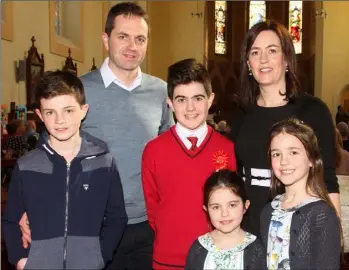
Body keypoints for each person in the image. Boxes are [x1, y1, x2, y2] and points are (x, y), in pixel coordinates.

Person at [19, 3, 173, 269]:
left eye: (140, 39)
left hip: (149, 224)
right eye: (122, 36)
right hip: (91, 223)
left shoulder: (160, 91)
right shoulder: (79, 90)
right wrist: (27, 205)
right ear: (106, 39)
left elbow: (170, 153)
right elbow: (48, 153)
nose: (132, 46)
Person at [2, 71, 128, 270]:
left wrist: (100, 256)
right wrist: (21, 260)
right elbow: (10, 220)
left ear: (83, 110)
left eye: (68, 110)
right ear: (40, 115)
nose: (59, 120)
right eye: (50, 112)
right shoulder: (27, 166)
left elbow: (117, 217)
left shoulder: (104, 162)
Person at [229, 20, 340, 237]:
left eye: (272, 51)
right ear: (248, 63)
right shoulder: (242, 115)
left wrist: (332, 238)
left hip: (298, 227)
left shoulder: (313, 110)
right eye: (255, 52)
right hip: (247, 228)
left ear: (287, 58)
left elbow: (327, 179)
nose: (263, 60)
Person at [141, 59, 236, 269]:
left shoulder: (227, 149)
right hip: (168, 258)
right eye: (181, 99)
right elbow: (153, 209)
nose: (190, 107)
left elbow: (232, 204)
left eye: (198, 98)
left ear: (210, 100)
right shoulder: (153, 150)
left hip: (216, 256)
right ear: (170, 102)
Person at [261, 118, 341, 269]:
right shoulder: (269, 211)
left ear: (311, 159)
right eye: (276, 154)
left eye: (293, 152)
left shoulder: (321, 214)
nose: (284, 161)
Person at [185, 169, 266, 270]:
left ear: (245, 206)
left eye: (232, 205)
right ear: (206, 210)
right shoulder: (199, 248)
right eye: (216, 207)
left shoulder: (256, 249)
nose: (224, 213)